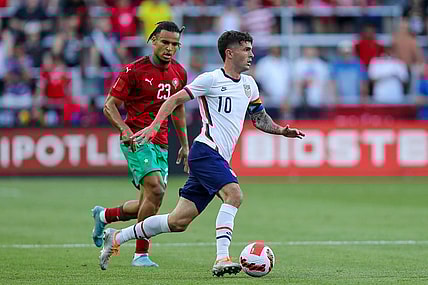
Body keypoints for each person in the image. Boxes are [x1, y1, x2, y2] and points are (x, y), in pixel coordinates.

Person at [98, 30, 305, 276]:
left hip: (217, 157)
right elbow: (173, 101)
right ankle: (221, 258)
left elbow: (259, 118)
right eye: (246, 49)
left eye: (251, 49)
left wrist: (282, 131)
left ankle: (117, 237)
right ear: (230, 53)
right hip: (207, 151)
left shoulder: (249, 84)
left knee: (177, 222)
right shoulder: (211, 79)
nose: (251, 54)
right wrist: (154, 126)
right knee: (234, 194)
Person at [91, 21, 190, 268]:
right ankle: (140, 254)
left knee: (150, 202)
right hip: (137, 138)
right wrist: (124, 130)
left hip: (162, 142)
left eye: (175, 44)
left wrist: (185, 144)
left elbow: (178, 110)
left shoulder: (179, 73)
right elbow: (109, 105)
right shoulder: (133, 71)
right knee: (156, 189)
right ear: (153, 40)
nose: (170, 48)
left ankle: (104, 215)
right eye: (165, 42)